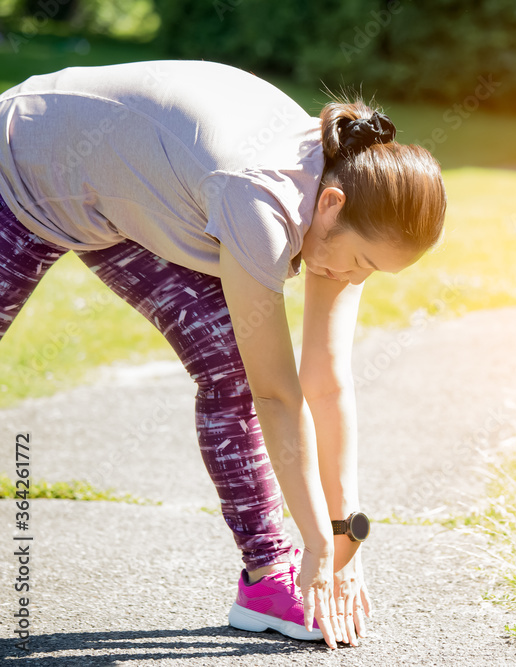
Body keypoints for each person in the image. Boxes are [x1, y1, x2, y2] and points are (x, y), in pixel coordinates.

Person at [0, 59, 446, 649]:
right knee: (249, 374)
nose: (354, 277)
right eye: (361, 263)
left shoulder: (344, 202)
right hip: (25, 162)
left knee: (227, 370)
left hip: (120, 198)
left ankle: (266, 580)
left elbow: (328, 383)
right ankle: (286, 558)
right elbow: (279, 395)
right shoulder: (260, 200)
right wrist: (317, 544)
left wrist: (345, 542)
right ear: (332, 205)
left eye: (372, 272)